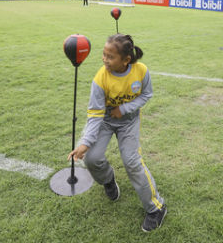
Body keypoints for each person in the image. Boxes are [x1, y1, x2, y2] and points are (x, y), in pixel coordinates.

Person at [68, 34, 166, 232]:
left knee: (131, 161)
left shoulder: (141, 71)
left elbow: (147, 94)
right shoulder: (100, 78)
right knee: (92, 158)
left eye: (110, 57)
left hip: (128, 122)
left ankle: (156, 208)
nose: (105, 59)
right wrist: (86, 143)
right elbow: (95, 114)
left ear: (126, 60)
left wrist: (124, 109)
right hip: (104, 121)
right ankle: (108, 180)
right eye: (103, 55)